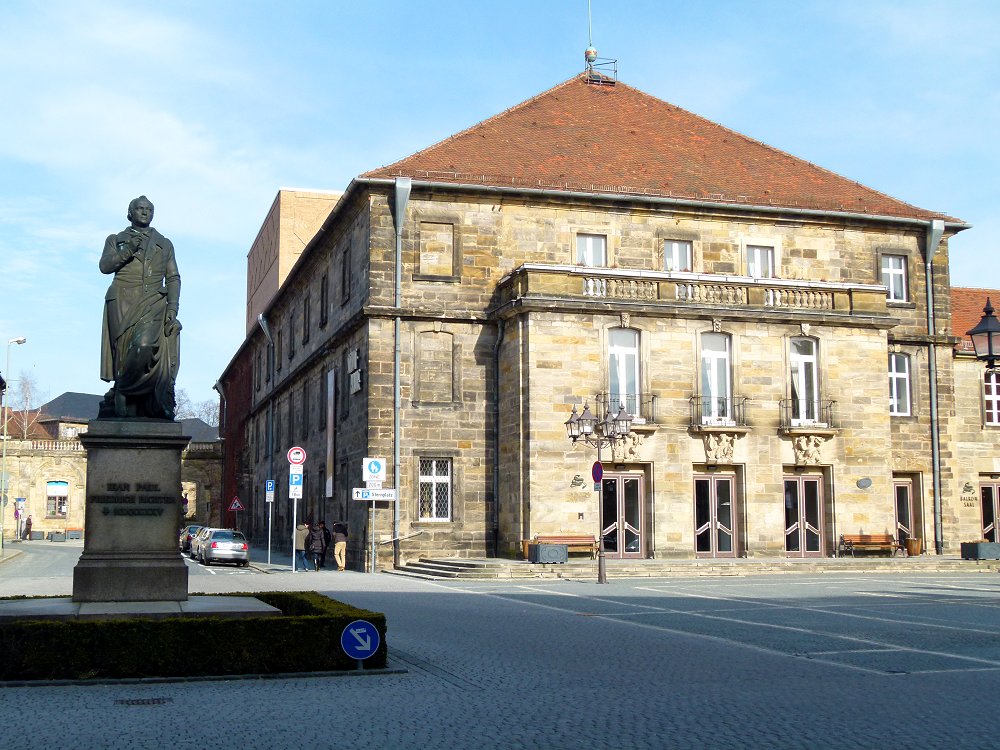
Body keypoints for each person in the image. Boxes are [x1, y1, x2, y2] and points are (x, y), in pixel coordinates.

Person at [98, 195, 181, 420]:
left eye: (149, 209)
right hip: (122, 301)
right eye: (140, 208)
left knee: (144, 346)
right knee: (122, 355)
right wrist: (127, 250)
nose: (145, 212)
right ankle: (124, 396)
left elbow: (173, 277)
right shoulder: (116, 239)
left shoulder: (164, 243)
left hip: (153, 302)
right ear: (131, 212)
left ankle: (123, 392)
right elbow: (105, 266)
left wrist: (172, 308)